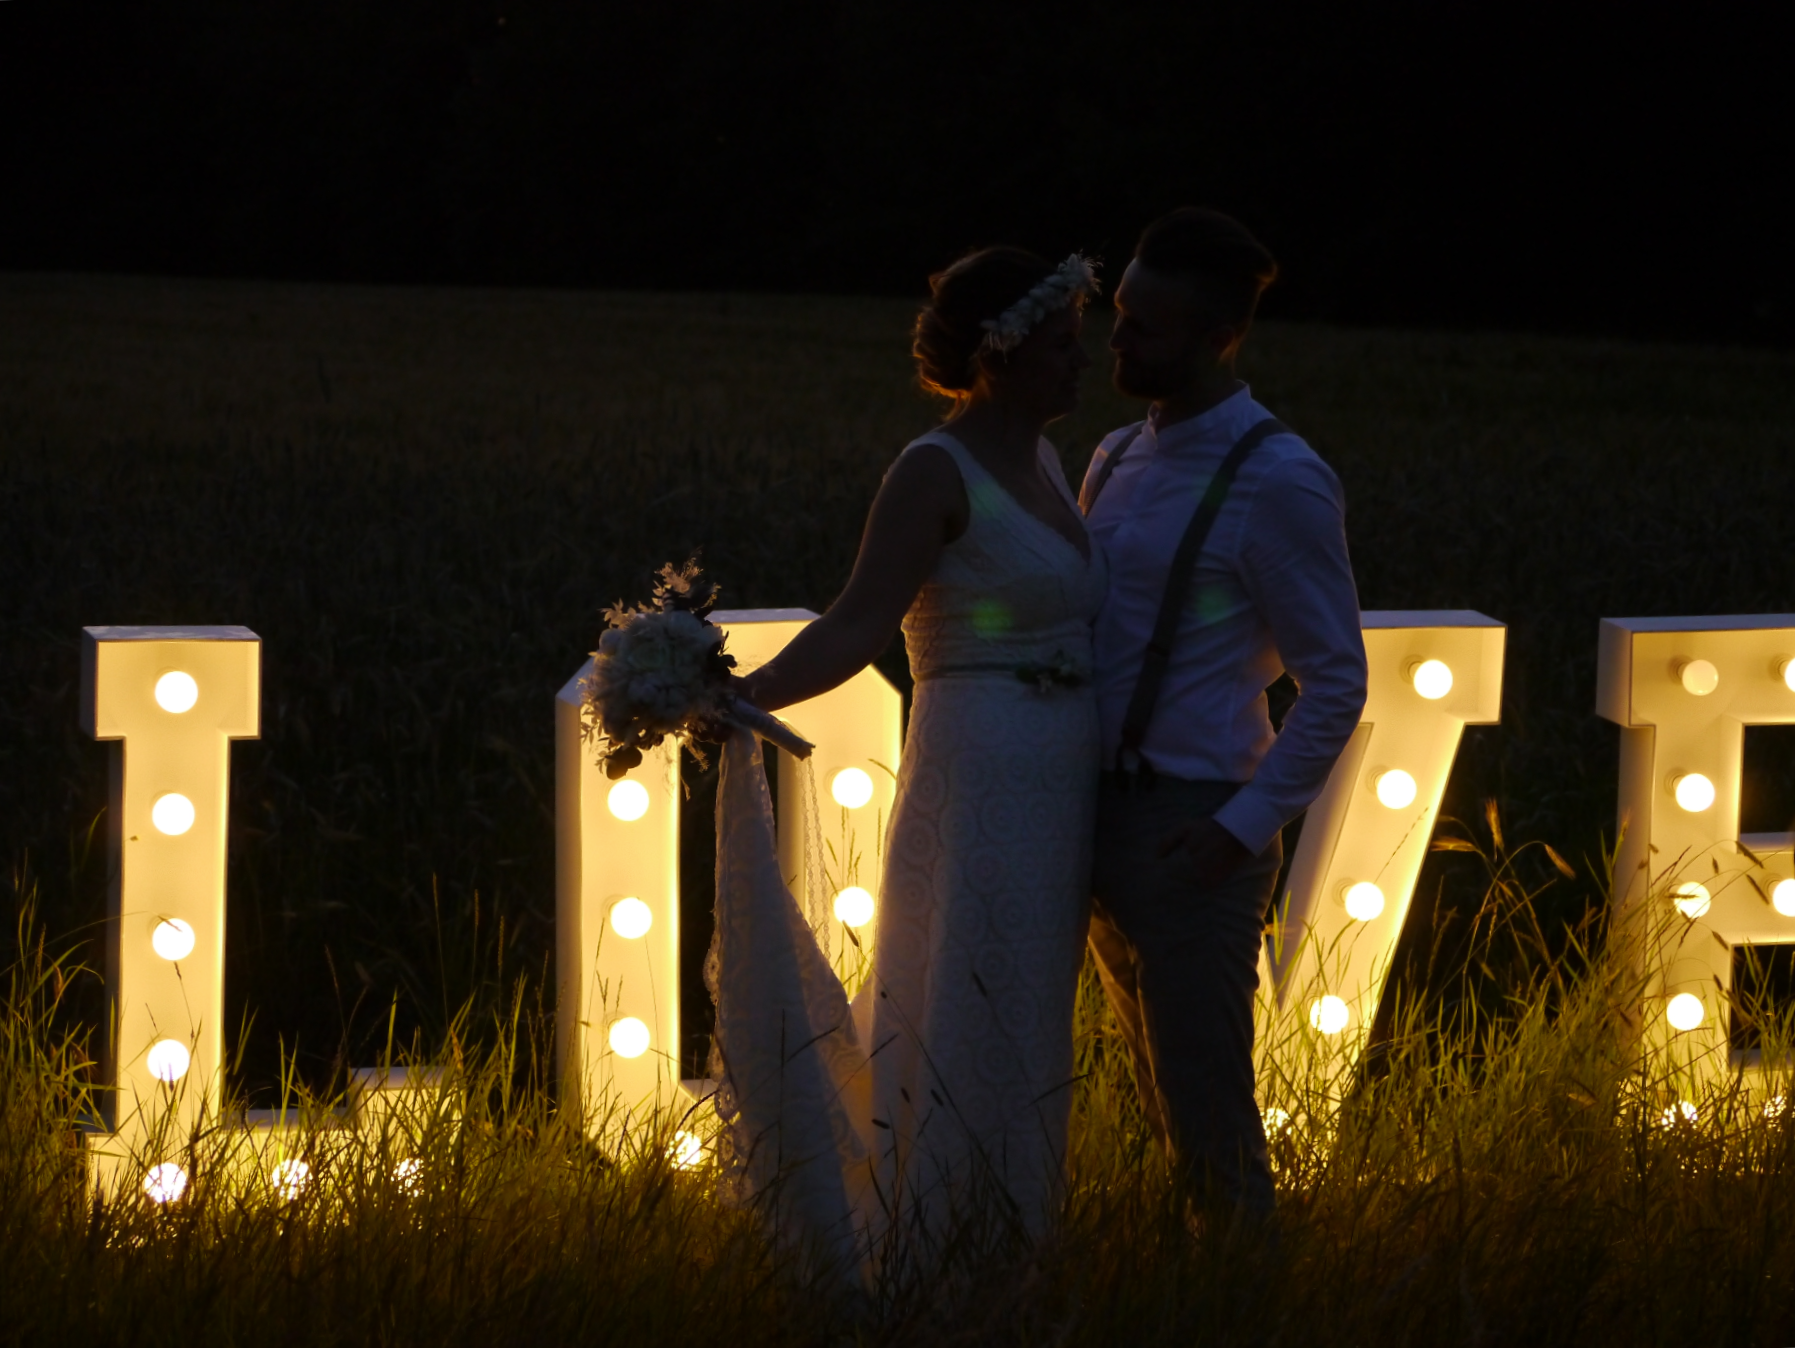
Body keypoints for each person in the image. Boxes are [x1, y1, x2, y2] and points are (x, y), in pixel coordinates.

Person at [714, 247, 1106, 1272]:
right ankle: (942, 1241)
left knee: (1029, 1007)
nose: (1084, 364)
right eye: (1062, 345)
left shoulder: (1051, 461)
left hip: (1056, 782)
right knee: (970, 985)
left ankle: (1015, 1231)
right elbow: (857, 623)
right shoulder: (933, 470)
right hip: (978, 774)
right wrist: (745, 698)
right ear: (1001, 353)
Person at [1079, 208, 1367, 1218]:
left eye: (1143, 327)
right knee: (1160, 1097)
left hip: (1197, 823)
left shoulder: (1278, 476)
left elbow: (1335, 681)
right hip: (1097, 816)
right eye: (1118, 315)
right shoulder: (1112, 457)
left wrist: (1239, 831)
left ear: (1216, 338)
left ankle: (1248, 1296)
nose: (1115, 340)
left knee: (1210, 1117)